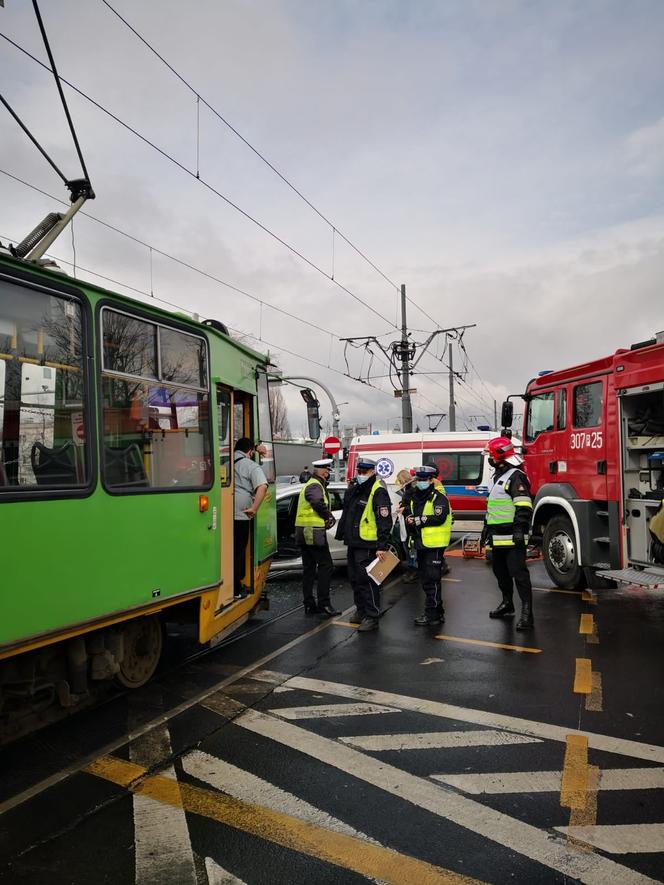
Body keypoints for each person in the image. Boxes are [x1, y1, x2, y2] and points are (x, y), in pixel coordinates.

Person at [482, 436, 534, 631]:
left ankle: (527, 614)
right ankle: (507, 603)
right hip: (496, 536)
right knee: (500, 572)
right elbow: (493, 508)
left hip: (513, 536)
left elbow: (523, 506)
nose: (489, 459)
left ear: (499, 457)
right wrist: (486, 529)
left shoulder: (516, 476)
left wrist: (520, 530)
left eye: (491, 455)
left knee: (519, 574)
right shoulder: (497, 477)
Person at [335, 457, 392, 632]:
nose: (360, 475)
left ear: (373, 472)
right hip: (354, 542)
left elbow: (384, 520)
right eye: (359, 472)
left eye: (364, 472)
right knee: (354, 579)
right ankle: (360, 610)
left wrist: (382, 546)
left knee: (368, 581)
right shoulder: (357, 489)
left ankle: (372, 616)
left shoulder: (378, 491)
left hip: (368, 544)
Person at [405, 465, 452, 625]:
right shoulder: (417, 497)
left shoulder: (438, 497)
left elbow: (439, 518)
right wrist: (409, 517)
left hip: (434, 545)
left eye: (424, 480)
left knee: (432, 581)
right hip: (421, 544)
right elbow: (413, 512)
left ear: (432, 480)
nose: (420, 482)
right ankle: (437, 612)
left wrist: (418, 520)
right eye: (419, 479)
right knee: (426, 581)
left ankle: (432, 614)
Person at [295, 458, 341, 617]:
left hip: (305, 531)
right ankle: (324, 604)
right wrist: (328, 516)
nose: (328, 474)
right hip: (313, 532)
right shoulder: (315, 485)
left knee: (308, 569)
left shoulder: (310, 483)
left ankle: (309, 604)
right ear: (324, 471)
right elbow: (316, 500)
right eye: (327, 471)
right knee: (326, 566)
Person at [233, 437, 269, 599]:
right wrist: (254, 508)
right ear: (250, 451)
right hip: (241, 513)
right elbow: (262, 487)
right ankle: (236, 587)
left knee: (228, 549)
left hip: (224, 511)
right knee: (239, 550)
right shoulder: (250, 465)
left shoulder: (226, 464)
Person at [395, 469, 418, 583]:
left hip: (410, 524)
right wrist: (402, 505)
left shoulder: (411, 489)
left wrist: (404, 508)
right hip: (408, 523)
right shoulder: (410, 489)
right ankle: (412, 569)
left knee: (410, 548)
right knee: (408, 547)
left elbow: (414, 506)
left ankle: (414, 570)